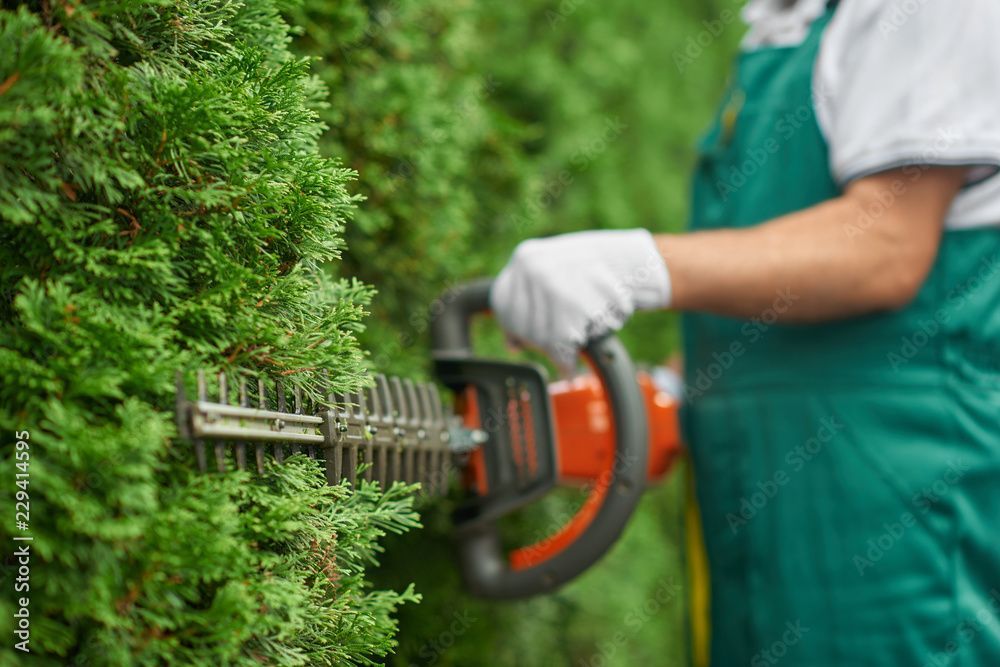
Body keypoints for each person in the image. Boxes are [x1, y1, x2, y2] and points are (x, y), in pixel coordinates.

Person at [488, 0, 1000, 664]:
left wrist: (637, 264)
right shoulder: (790, 28)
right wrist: (668, 390)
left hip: (894, 512)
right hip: (757, 519)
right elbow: (768, 285)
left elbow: (888, 242)